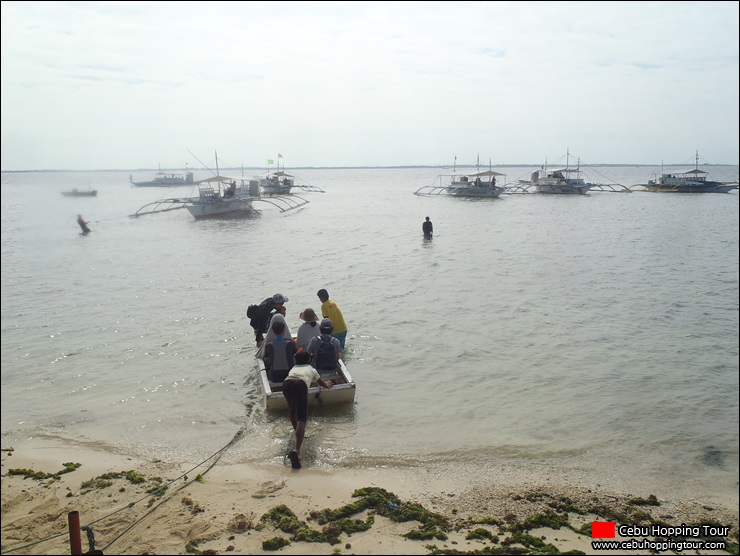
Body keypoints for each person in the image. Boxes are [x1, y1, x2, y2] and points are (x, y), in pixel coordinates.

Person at [282, 350, 333, 469]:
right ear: (308, 360)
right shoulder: (312, 369)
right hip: (300, 385)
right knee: (301, 418)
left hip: (287, 383)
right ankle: (297, 450)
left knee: (292, 409)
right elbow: (322, 384)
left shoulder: (293, 368)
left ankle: (297, 432)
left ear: (296, 360)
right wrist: (328, 385)